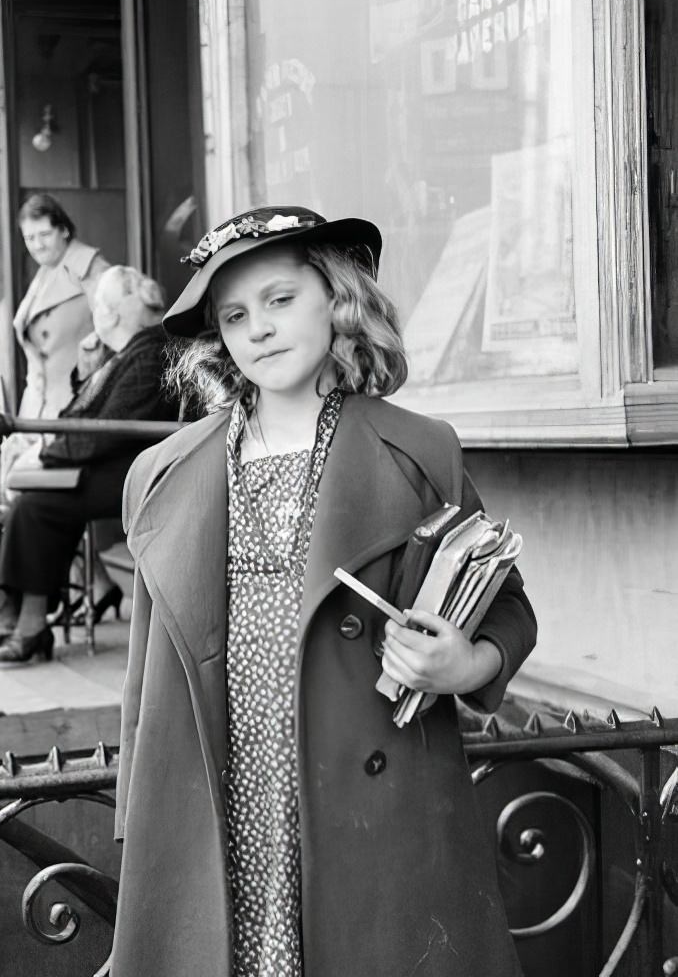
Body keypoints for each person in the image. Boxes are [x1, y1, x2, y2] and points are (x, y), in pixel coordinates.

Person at [111, 207, 537, 976]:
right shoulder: (166, 473)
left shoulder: (414, 451)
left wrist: (464, 667)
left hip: (368, 806)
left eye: (280, 300)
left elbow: (507, 605)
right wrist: (137, 829)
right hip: (217, 797)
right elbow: (144, 678)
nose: (260, 329)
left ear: (335, 299)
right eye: (236, 315)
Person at [0, 265, 182, 663]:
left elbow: (104, 431)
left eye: (98, 306)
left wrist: (46, 455)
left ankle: (26, 625)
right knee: (31, 502)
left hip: (138, 473)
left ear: (109, 314)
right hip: (123, 465)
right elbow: (83, 416)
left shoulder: (150, 352)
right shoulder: (131, 352)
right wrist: (86, 370)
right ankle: (12, 619)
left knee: (36, 505)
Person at [12, 194, 111, 424]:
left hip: (75, 406)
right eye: (29, 238)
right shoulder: (46, 271)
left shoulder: (89, 265)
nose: (38, 245)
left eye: (45, 235)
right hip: (38, 408)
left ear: (64, 230)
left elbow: (118, 329)